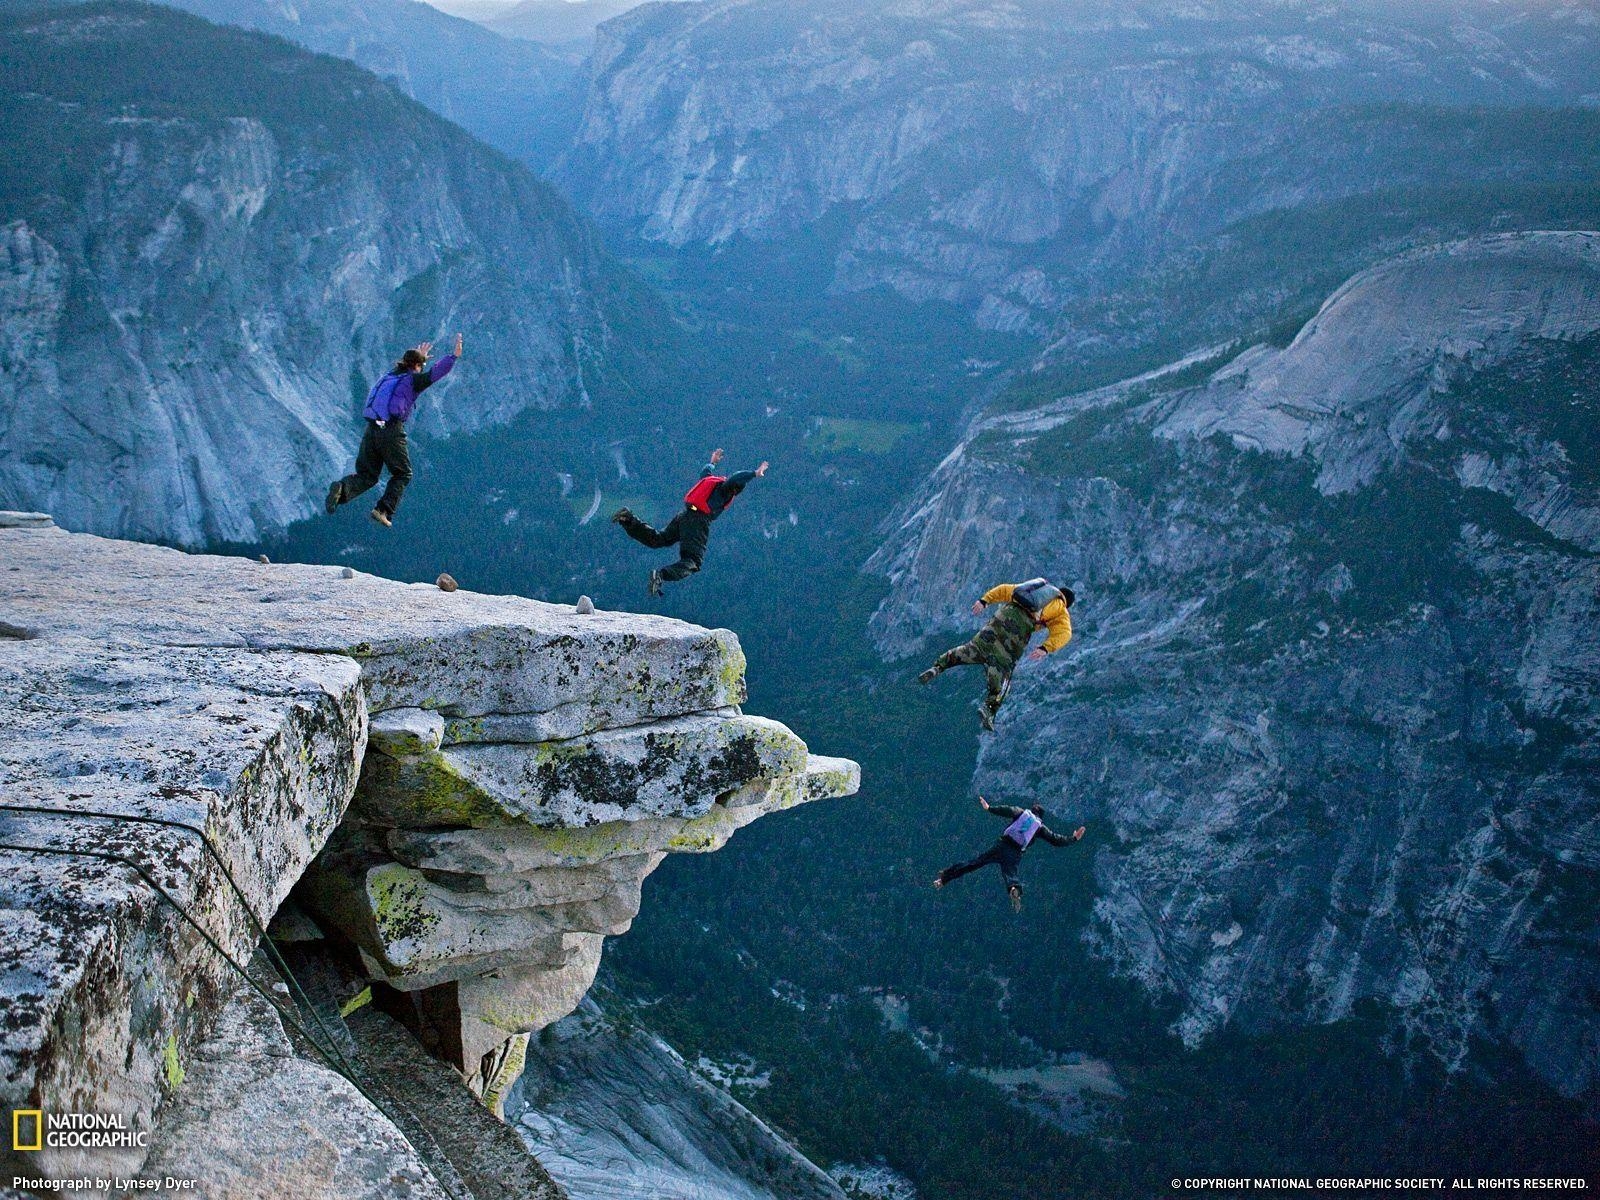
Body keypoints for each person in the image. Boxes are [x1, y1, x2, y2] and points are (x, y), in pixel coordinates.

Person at [326, 334, 462, 527]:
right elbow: (436, 373)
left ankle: (342, 488)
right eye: (420, 365)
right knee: (403, 473)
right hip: (390, 431)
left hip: (371, 430)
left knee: (367, 475)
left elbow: (410, 365)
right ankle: (383, 510)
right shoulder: (413, 381)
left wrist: (419, 355)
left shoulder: (389, 376)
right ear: (416, 366)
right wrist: (453, 356)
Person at [918, 578, 1074, 731]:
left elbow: (1004, 589)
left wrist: (984, 601)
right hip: (1017, 631)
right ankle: (989, 709)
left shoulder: (1033, 589)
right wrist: (1045, 648)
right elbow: (1064, 633)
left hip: (1002, 616)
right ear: (1068, 603)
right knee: (1003, 673)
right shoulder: (1061, 608)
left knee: (972, 649)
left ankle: (938, 667)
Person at [611, 449, 768, 595]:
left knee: (658, 539)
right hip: (697, 521)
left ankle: (628, 518)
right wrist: (754, 473)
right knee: (693, 561)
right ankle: (660, 575)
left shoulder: (711, 481)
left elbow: (705, 471)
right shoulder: (725, 489)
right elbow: (735, 477)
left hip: (685, 514)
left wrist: (712, 462)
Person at [933, 797, 1086, 912]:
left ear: (1032, 810)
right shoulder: (1040, 828)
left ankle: (944, 878)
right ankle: (1014, 889)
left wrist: (989, 808)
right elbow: (1056, 839)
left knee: (974, 863)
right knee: (1011, 876)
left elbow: (1007, 809)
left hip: (1002, 845)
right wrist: (1073, 838)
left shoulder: (1021, 813)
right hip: (1014, 853)